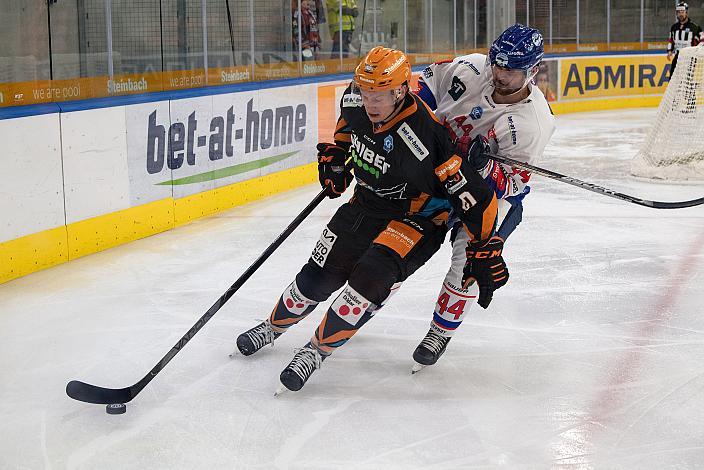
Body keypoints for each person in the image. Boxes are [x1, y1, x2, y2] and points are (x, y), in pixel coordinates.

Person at [235, 46, 505, 392]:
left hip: (416, 218)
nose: (370, 102)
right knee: (318, 275)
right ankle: (272, 328)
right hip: (365, 204)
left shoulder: (428, 135)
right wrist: (336, 156)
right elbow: (348, 129)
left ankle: (315, 352)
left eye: (379, 95)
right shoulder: (354, 98)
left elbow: (478, 200)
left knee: (370, 278)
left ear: (401, 90)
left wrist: (483, 247)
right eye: (366, 92)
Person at [412, 24, 556, 370]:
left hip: (487, 194)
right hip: (436, 175)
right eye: (497, 63)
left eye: (510, 69)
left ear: (532, 70)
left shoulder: (534, 123)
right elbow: (427, 87)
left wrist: (485, 169)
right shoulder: (472, 68)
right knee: (397, 242)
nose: (499, 73)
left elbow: (513, 184)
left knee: (471, 258)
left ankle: (439, 331)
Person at [667, 2, 703, 78]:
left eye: (682, 12)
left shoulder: (695, 27)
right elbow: (671, 39)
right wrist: (670, 50)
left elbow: (702, 39)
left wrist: (697, 50)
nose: (680, 14)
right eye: (678, 12)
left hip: (689, 58)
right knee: (672, 78)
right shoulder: (674, 27)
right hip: (677, 56)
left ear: (686, 12)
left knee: (687, 79)